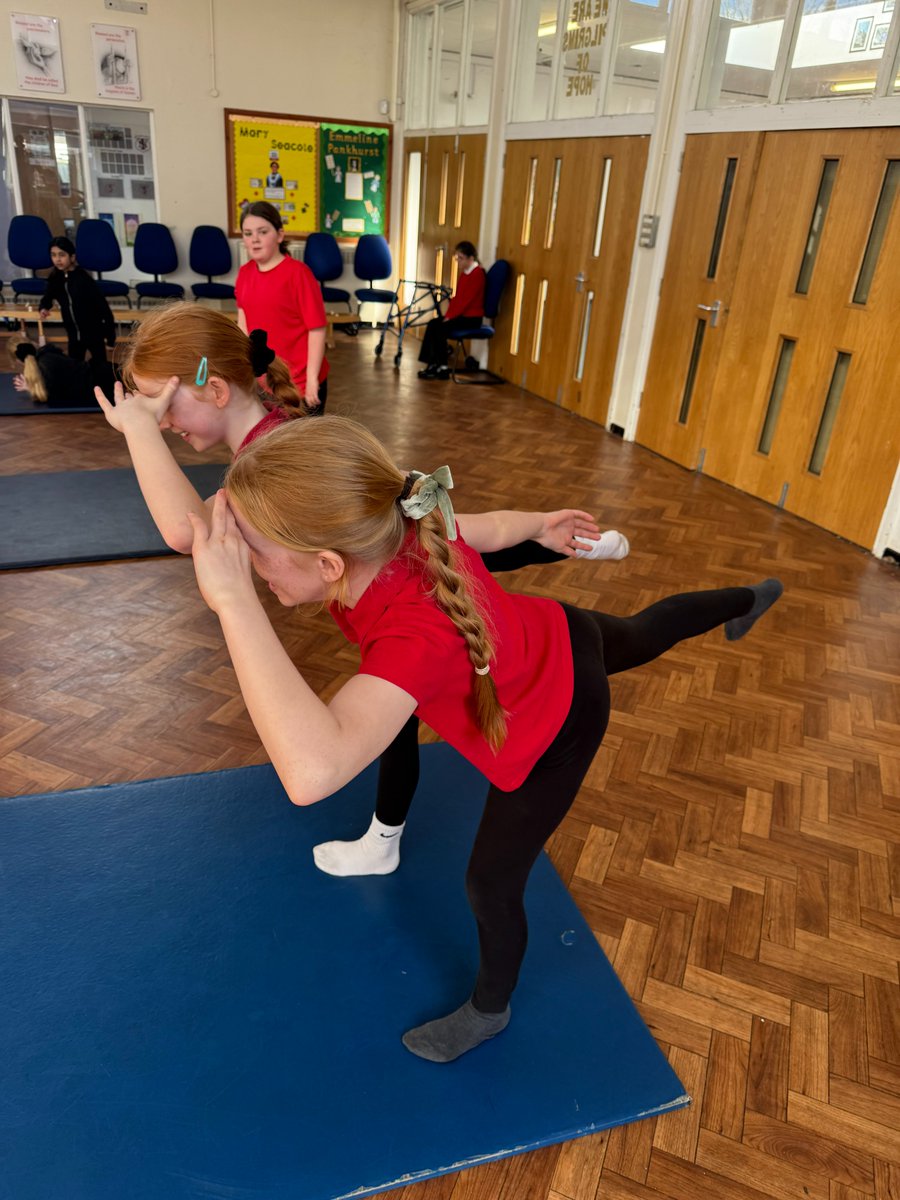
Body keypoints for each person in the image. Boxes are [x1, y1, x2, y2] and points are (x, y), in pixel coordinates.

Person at [184, 415, 783, 1063]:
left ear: (328, 562)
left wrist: (233, 603)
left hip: (560, 717)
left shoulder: (418, 634)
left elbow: (311, 772)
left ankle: (489, 1010)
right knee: (644, 630)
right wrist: (540, 523)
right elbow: (489, 529)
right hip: (554, 632)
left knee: (490, 885)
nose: (246, 567)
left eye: (254, 555)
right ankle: (748, 598)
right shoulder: (394, 524)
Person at [235, 201, 329, 414]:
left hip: (300, 380)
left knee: (302, 445)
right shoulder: (245, 273)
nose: (255, 240)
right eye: (248, 233)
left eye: (262, 232)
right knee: (271, 443)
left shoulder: (299, 274)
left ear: (279, 235)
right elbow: (243, 325)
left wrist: (313, 380)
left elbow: (316, 329)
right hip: (264, 379)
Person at [39, 235, 117, 396]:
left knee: (101, 367)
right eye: (53, 255)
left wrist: (110, 337)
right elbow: (48, 297)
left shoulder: (84, 280)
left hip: (93, 333)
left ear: (72, 257)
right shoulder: (55, 278)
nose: (57, 259)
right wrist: (44, 307)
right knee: (74, 367)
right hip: (74, 335)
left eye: (62, 255)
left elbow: (104, 309)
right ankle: (81, 394)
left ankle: (108, 393)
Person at [418, 241, 485, 380]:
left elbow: (467, 301)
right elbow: (457, 298)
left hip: (472, 318)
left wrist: (450, 317)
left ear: (471, 259)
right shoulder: (465, 273)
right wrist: (448, 315)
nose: (458, 261)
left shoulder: (478, 274)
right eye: (457, 258)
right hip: (462, 316)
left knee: (441, 328)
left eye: (461, 258)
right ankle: (432, 364)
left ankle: (442, 367)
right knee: (433, 324)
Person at [7, 338, 98, 408]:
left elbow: (55, 398)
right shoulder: (46, 355)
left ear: (18, 360)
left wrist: (30, 388)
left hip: (101, 385)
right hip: (99, 375)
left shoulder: (45, 364)